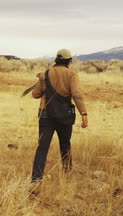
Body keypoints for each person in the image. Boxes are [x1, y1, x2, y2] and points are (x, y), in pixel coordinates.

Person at [30, 48, 88, 197]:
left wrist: (42, 82)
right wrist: (84, 113)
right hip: (64, 116)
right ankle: (67, 174)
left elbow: (35, 94)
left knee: (42, 148)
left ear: (56, 60)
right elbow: (76, 94)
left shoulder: (45, 74)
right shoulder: (71, 74)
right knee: (65, 145)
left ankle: (36, 180)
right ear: (69, 61)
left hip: (45, 115)